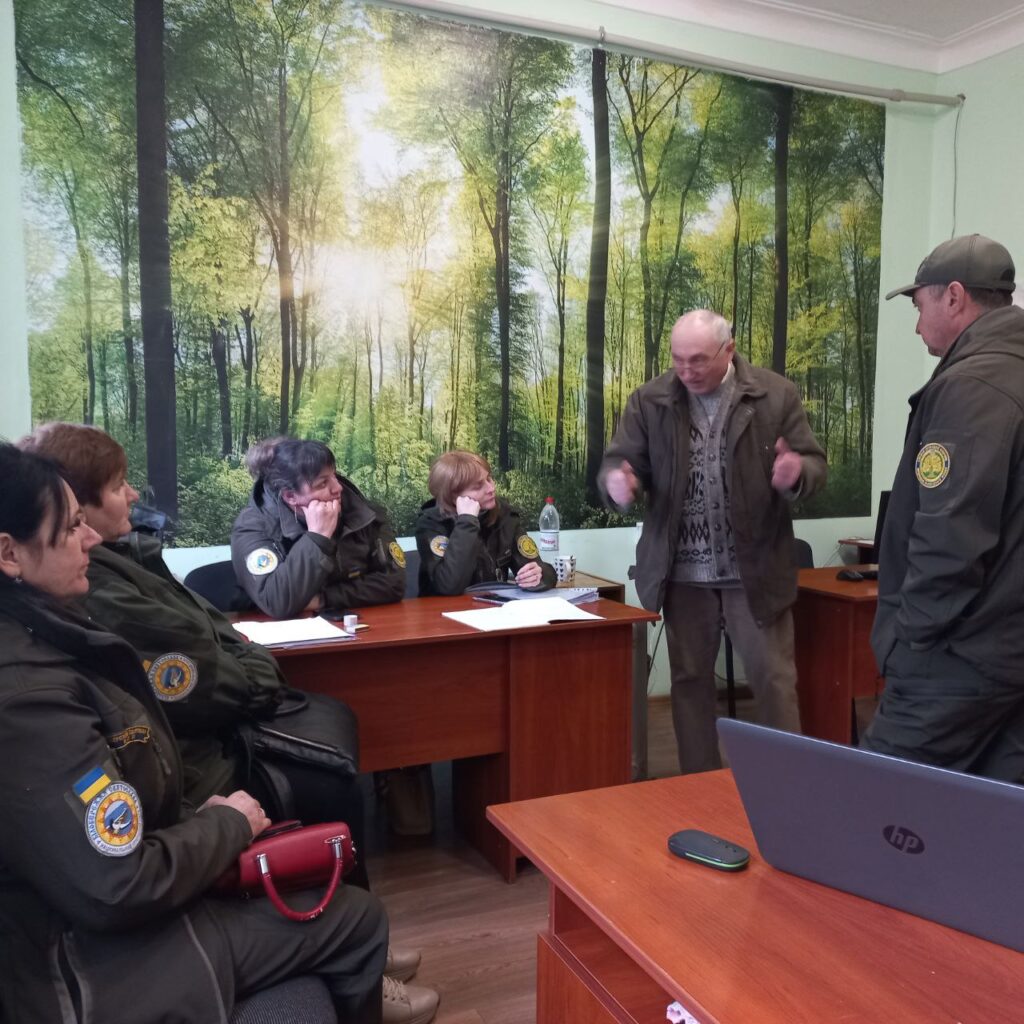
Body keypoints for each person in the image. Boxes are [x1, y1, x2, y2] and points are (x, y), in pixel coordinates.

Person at [19, 422, 438, 1023]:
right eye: (115, 487)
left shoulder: (128, 556)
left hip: (212, 725)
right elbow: (273, 605)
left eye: (334, 480)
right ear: (289, 494)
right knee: (325, 778)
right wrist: (317, 546)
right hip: (201, 751)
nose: (334, 492)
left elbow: (385, 582)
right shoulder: (249, 529)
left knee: (336, 736)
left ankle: (355, 949)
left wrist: (325, 599)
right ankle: (351, 951)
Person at [600, 309, 827, 774]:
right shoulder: (649, 400)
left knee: (774, 681)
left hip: (754, 571)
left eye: (699, 360)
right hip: (683, 576)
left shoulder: (775, 394)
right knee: (689, 683)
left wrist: (797, 472)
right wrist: (618, 483)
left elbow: (814, 463)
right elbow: (620, 462)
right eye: (678, 359)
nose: (687, 371)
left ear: (729, 349)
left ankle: (789, 785)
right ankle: (698, 786)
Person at [862, 234, 1024, 781]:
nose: (916, 326)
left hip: (959, 660)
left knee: (880, 801)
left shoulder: (973, 386)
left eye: (918, 305)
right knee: (991, 815)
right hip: (1007, 648)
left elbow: (951, 536)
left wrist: (910, 644)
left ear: (953, 296)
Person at [232, 438, 406, 619]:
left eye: (334, 476)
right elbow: (276, 602)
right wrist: (317, 537)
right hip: (271, 631)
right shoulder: (253, 526)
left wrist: (324, 599)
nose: (338, 488)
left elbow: (394, 583)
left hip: (352, 624)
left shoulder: (361, 511)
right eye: (322, 483)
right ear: (291, 496)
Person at [415, 449, 555, 596]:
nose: (491, 488)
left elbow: (539, 569)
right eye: (478, 486)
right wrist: (467, 522)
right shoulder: (431, 524)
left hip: (493, 605)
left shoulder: (505, 516)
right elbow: (449, 586)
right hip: (444, 609)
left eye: (489, 479)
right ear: (453, 496)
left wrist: (539, 575)